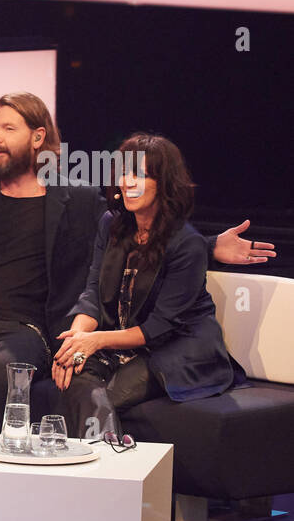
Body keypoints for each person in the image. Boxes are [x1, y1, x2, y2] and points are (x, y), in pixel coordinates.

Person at [0, 92, 273, 459]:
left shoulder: (76, 200)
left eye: (8, 128)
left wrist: (206, 246)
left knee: (6, 373)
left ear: (37, 137)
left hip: (28, 328)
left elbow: (156, 238)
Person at [53, 133, 246, 436]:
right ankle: (106, 465)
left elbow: (159, 327)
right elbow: (92, 291)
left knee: (110, 393)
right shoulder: (111, 224)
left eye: (140, 174)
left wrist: (96, 341)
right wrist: (76, 341)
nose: (127, 182)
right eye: (124, 173)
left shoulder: (188, 244)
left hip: (177, 349)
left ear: (164, 183)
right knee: (75, 375)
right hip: (126, 344)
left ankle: (105, 472)